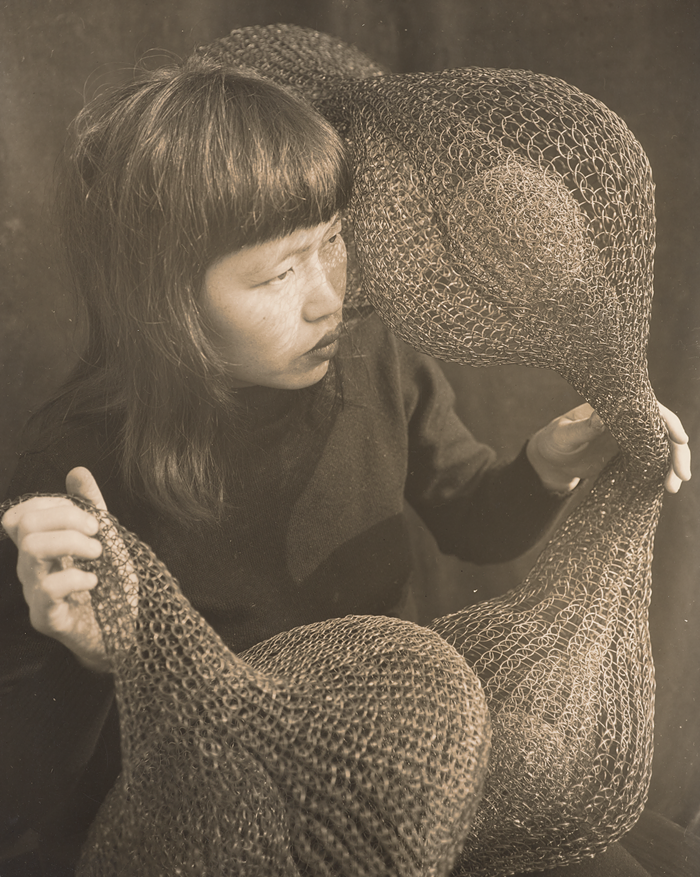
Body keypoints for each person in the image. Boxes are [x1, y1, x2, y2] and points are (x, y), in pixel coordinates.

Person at [0, 60, 691, 874]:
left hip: (411, 759)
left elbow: (470, 513)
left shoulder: (371, 356)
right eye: (280, 271)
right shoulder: (73, 461)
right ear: (164, 301)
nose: (330, 294)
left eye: (334, 240)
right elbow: (35, 789)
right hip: (237, 819)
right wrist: (94, 655)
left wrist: (544, 465)